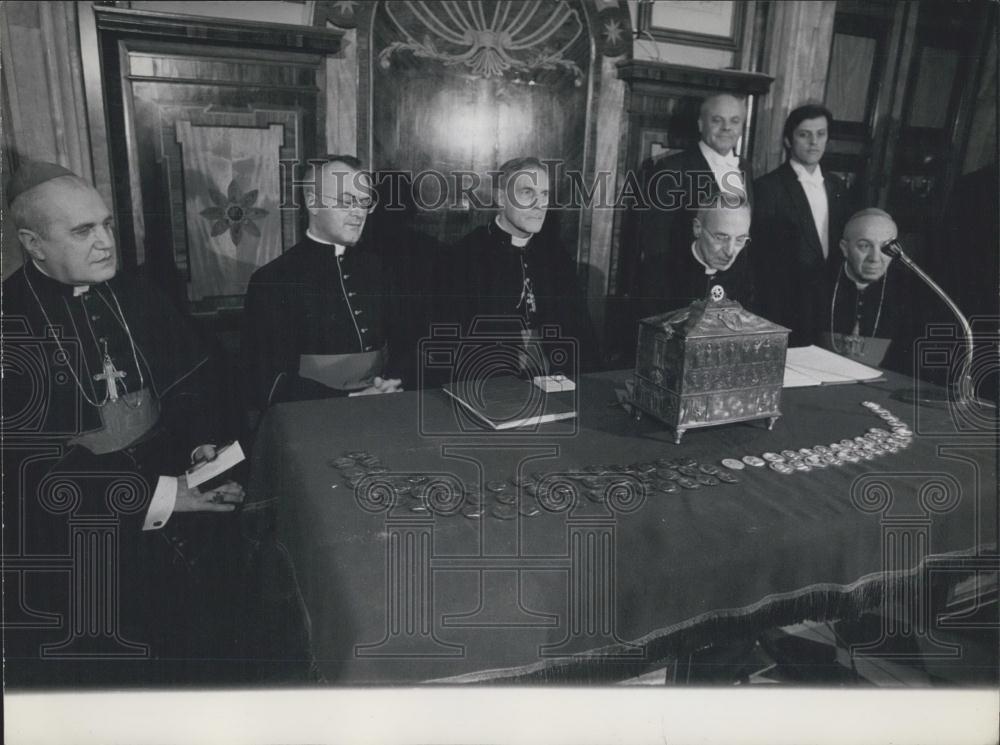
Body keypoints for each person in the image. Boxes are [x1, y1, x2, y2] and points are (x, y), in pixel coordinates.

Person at [2, 161, 246, 684]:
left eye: (107, 224)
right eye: (82, 231)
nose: (105, 242)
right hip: (85, 522)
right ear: (33, 243)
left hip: (173, 473)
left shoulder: (137, 291)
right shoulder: (9, 319)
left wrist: (204, 444)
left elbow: (194, 381)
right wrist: (161, 495)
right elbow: (31, 465)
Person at [241, 155, 402, 413]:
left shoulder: (379, 269)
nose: (358, 212)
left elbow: (404, 344)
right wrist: (351, 400)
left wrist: (391, 383)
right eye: (346, 201)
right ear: (313, 203)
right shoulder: (273, 281)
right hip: (311, 418)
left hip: (383, 408)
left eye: (364, 202)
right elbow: (266, 381)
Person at [434, 156, 598, 379]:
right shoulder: (466, 256)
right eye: (527, 193)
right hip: (489, 387)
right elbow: (447, 343)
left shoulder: (556, 256)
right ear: (501, 198)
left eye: (545, 194)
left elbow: (580, 336)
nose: (540, 204)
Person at [637, 93, 754, 316]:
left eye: (734, 121)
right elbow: (656, 244)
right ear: (701, 124)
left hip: (730, 294)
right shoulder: (670, 168)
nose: (726, 128)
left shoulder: (746, 168)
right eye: (717, 120)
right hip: (680, 293)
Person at [752, 104, 852, 345]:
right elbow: (762, 259)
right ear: (788, 140)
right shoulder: (769, 187)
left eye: (821, 134)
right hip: (786, 302)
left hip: (829, 301)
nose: (813, 142)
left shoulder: (837, 186)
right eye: (804, 134)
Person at [822, 208, 921, 373]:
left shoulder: (908, 291)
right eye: (864, 246)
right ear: (845, 248)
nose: (875, 258)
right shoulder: (815, 285)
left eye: (886, 248)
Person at [642, 193, 755, 312]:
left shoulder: (744, 274)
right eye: (721, 237)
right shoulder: (658, 270)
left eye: (740, 240)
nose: (730, 252)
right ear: (698, 228)